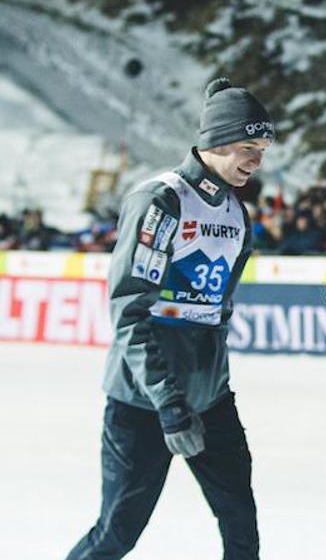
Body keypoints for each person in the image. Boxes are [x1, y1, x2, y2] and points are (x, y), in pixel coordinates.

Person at [67, 78, 274, 559]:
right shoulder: (162, 200)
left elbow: (216, 315)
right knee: (117, 533)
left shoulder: (236, 213)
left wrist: (212, 389)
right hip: (145, 401)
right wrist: (168, 402)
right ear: (216, 141)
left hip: (211, 399)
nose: (257, 160)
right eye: (248, 147)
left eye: (262, 149)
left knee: (241, 525)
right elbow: (129, 311)